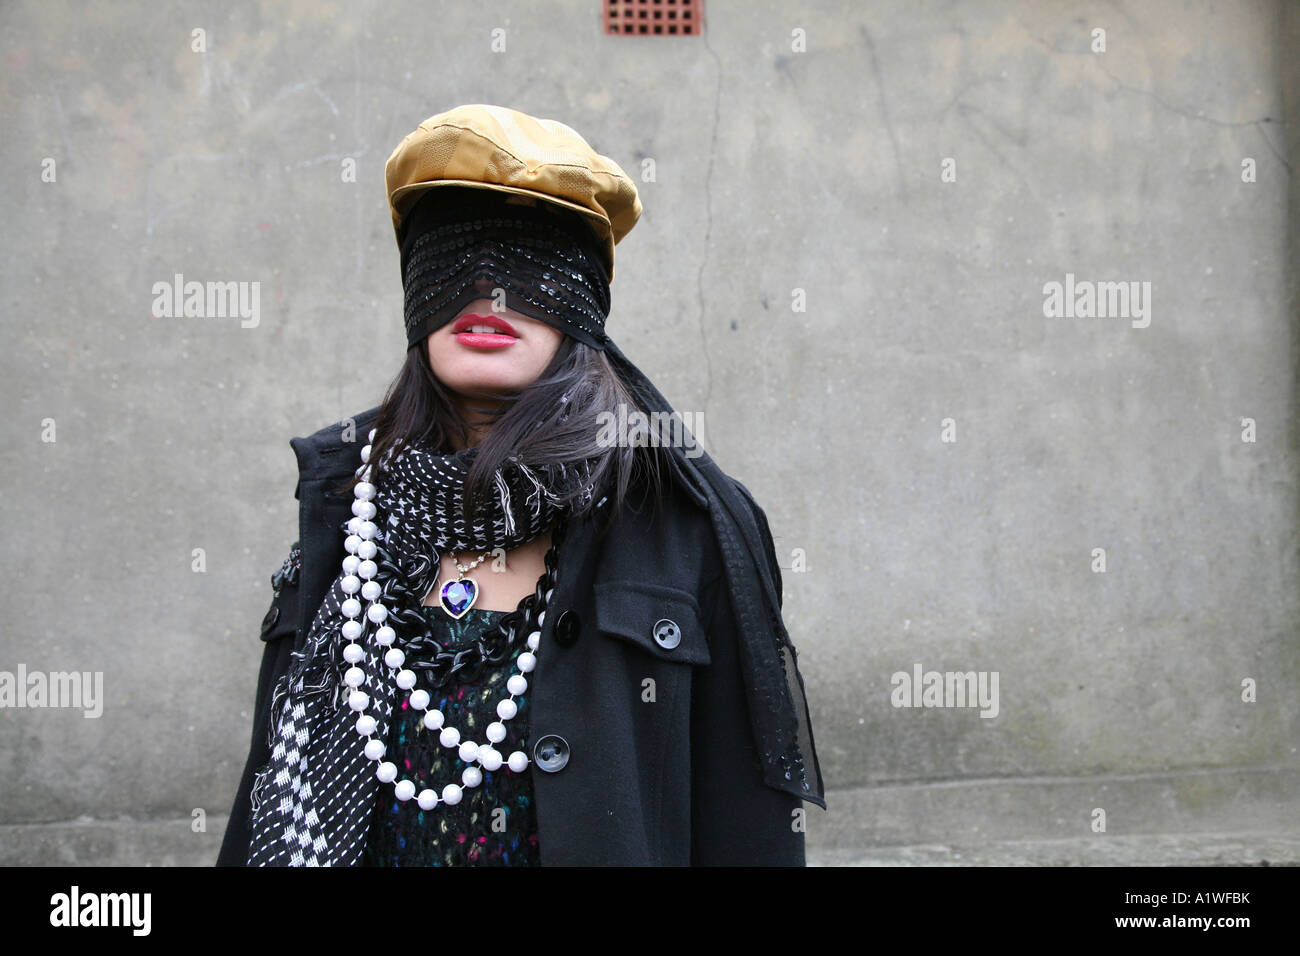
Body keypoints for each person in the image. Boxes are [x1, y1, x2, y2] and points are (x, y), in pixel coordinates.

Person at [217, 104, 825, 867]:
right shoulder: (345, 510)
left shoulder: (688, 526)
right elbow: (269, 789)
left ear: (587, 301)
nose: (488, 293)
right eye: (454, 250)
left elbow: (748, 832)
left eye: (534, 256)